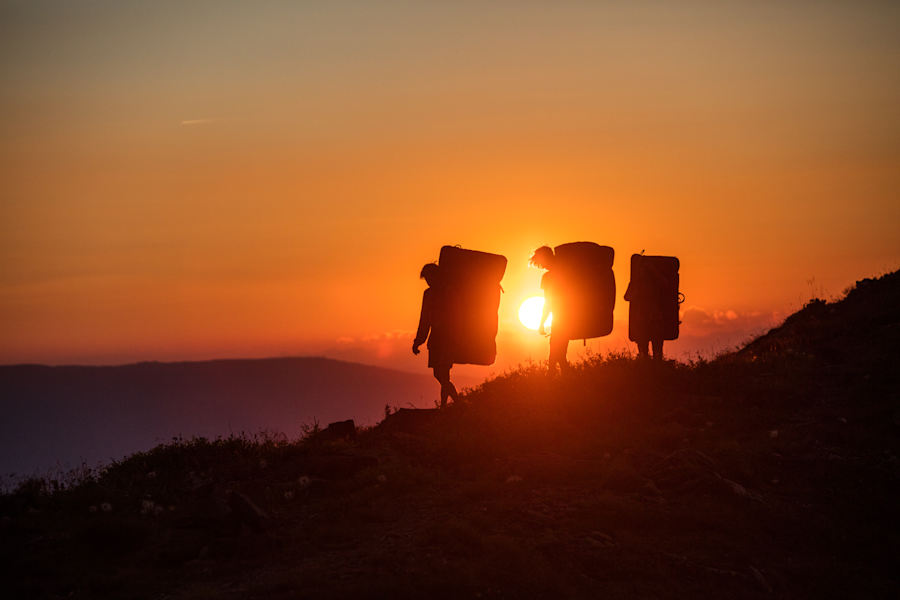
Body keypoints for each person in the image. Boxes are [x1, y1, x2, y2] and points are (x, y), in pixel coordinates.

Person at [412, 263, 459, 408]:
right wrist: (418, 341)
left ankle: (458, 403)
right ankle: (446, 406)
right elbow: (425, 320)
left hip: (446, 339)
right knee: (442, 374)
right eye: (426, 279)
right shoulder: (431, 294)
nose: (428, 281)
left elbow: (455, 316)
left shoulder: (446, 292)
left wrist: (418, 341)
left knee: (441, 374)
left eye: (429, 277)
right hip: (438, 339)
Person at [530, 246, 570, 373]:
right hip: (569, 316)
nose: (541, 266)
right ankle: (564, 377)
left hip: (561, 318)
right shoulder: (566, 271)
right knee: (559, 353)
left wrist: (541, 323)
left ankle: (552, 376)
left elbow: (548, 303)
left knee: (556, 352)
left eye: (540, 263)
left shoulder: (548, 277)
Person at [624, 263, 665, 361]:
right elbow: (627, 297)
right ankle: (647, 365)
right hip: (643, 320)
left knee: (656, 350)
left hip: (653, 319)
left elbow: (665, 284)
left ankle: (654, 365)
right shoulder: (636, 283)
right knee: (644, 350)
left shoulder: (655, 281)